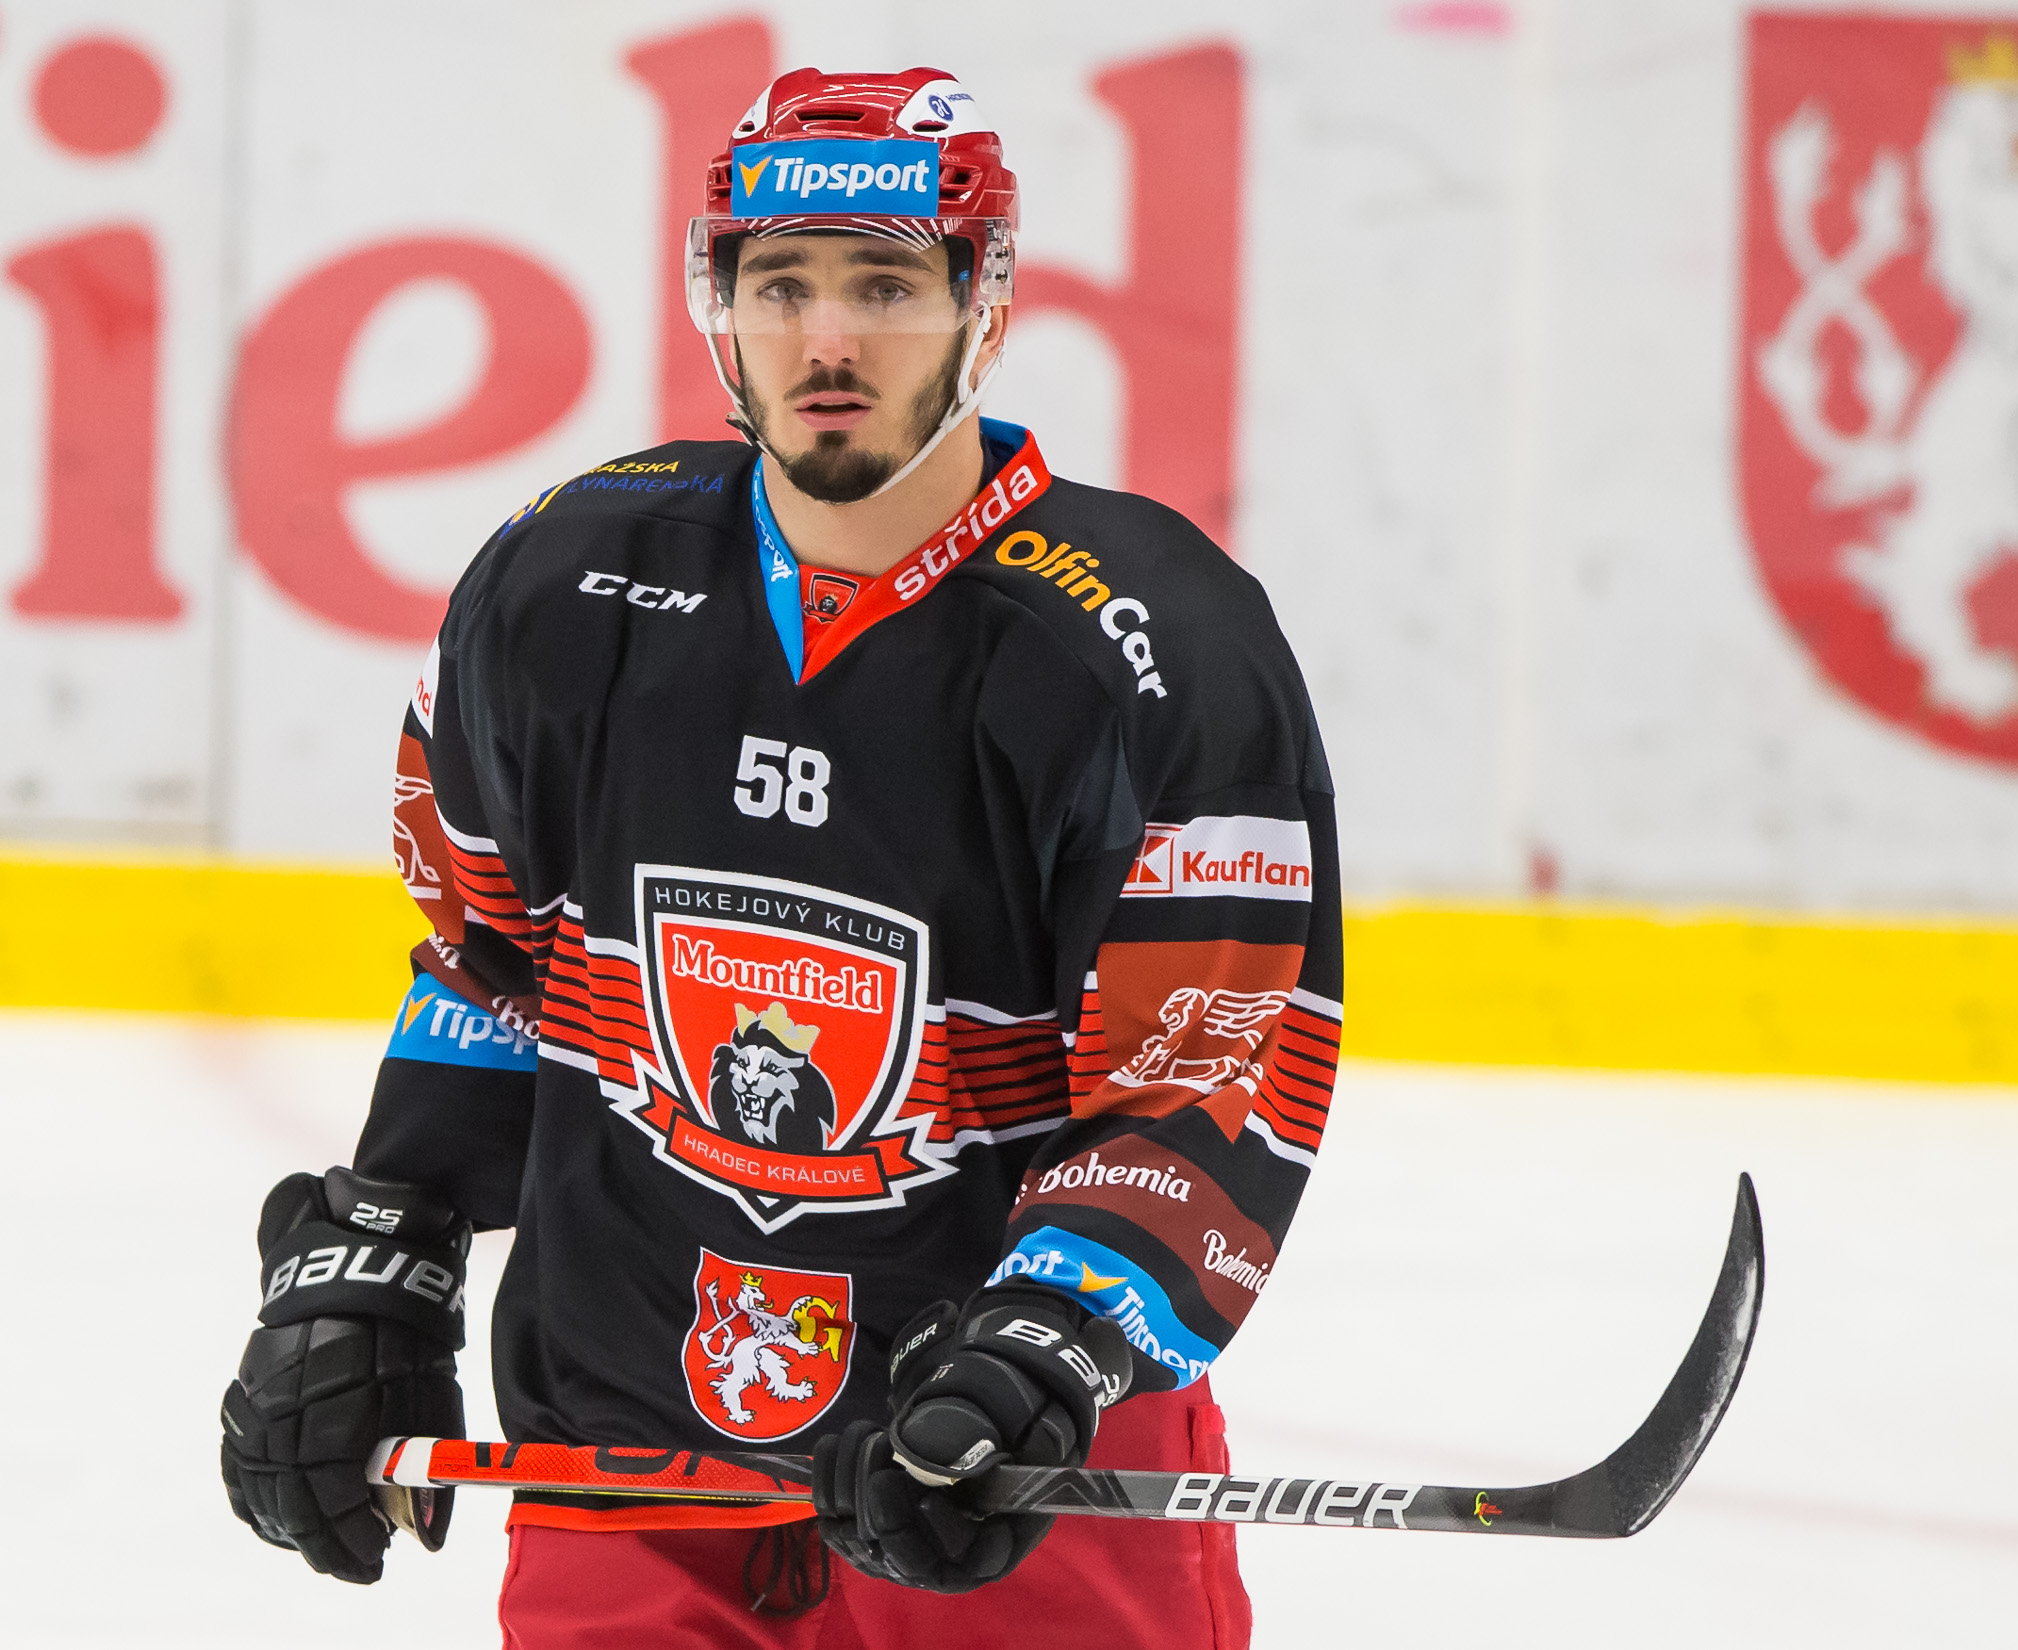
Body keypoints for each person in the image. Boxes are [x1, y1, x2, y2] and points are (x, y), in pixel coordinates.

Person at [218, 65, 1341, 1649]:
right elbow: (492, 964)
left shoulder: (1150, 646)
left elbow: (1202, 1076)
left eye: (884, 285)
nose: (826, 341)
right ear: (720, 303)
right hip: (625, 1452)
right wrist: (384, 1239)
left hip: (1006, 1480)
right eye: (781, 284)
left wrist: (1045, 1344)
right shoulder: (560, 586)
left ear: (984, 301)